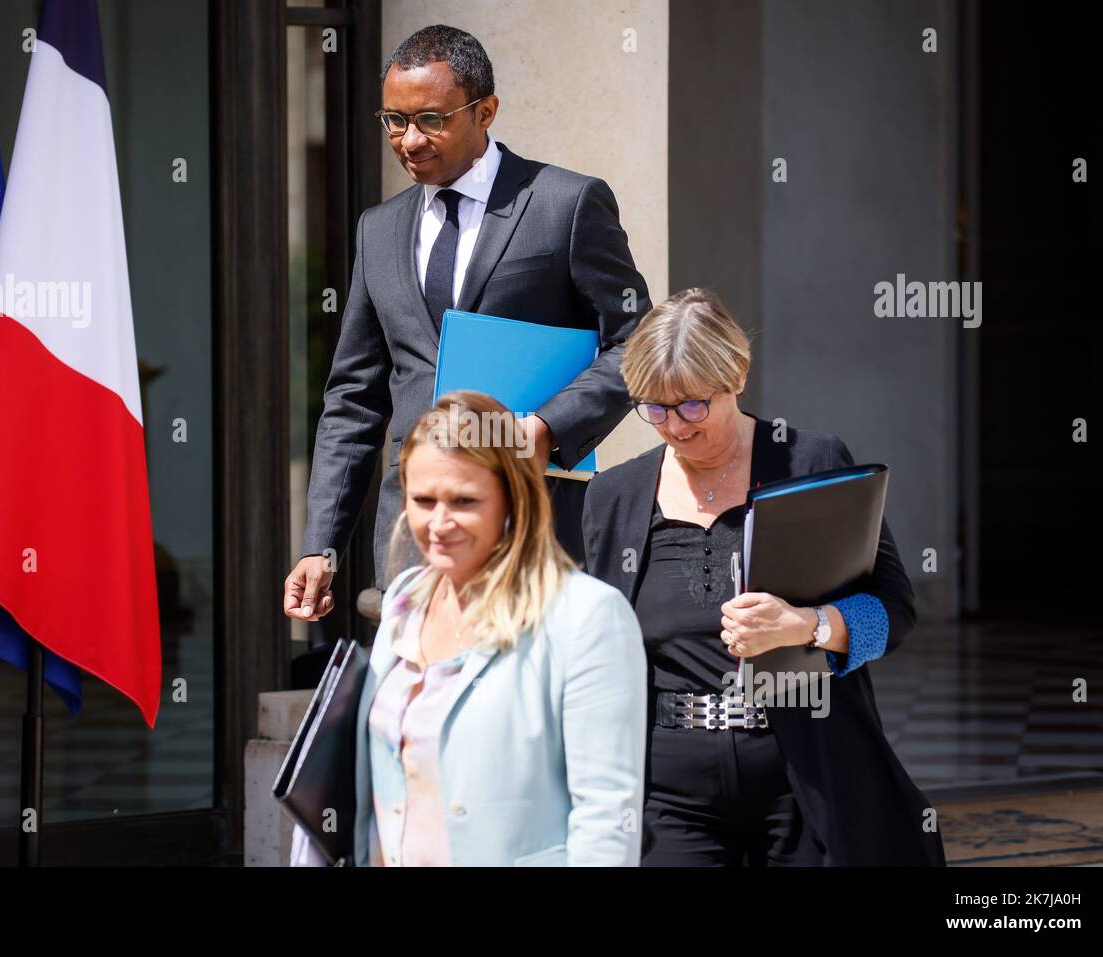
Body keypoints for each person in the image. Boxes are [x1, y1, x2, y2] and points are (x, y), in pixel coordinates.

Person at [283, 24, 651, 624]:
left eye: (431, 119)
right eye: (394, 121)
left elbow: (638, 343)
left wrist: (548, 428)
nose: (408, 140)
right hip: (414, 534)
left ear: (486, 112)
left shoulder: (565, 203)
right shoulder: (378, 229)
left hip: (534, 518)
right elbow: (354, 397)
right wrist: (320, 546)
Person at [581, 287, 946, 866]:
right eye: (653, 408)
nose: (675, 426)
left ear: (738, 376)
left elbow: (893, 615)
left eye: (693, 405)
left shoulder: (813, 463)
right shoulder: (614, 496)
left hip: (802, 773)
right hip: (667, 789)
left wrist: (807, 625)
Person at [291, 391, 646, 866]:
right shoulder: (404, 601)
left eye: (464, 500)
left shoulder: (586, 616)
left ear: (512, 498)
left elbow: (606, 822)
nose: (439, 523)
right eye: (422, 500)